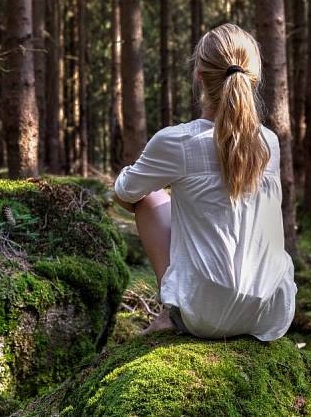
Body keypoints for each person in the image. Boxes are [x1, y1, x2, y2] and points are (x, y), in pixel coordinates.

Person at [113, 23, 296, 341]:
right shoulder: (269, 142)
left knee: (150, 198)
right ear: (253, 77)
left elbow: (124, 192)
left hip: (204, 317)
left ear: (199, 74)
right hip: (271, 313)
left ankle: (170, 310)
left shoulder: (177, 141)